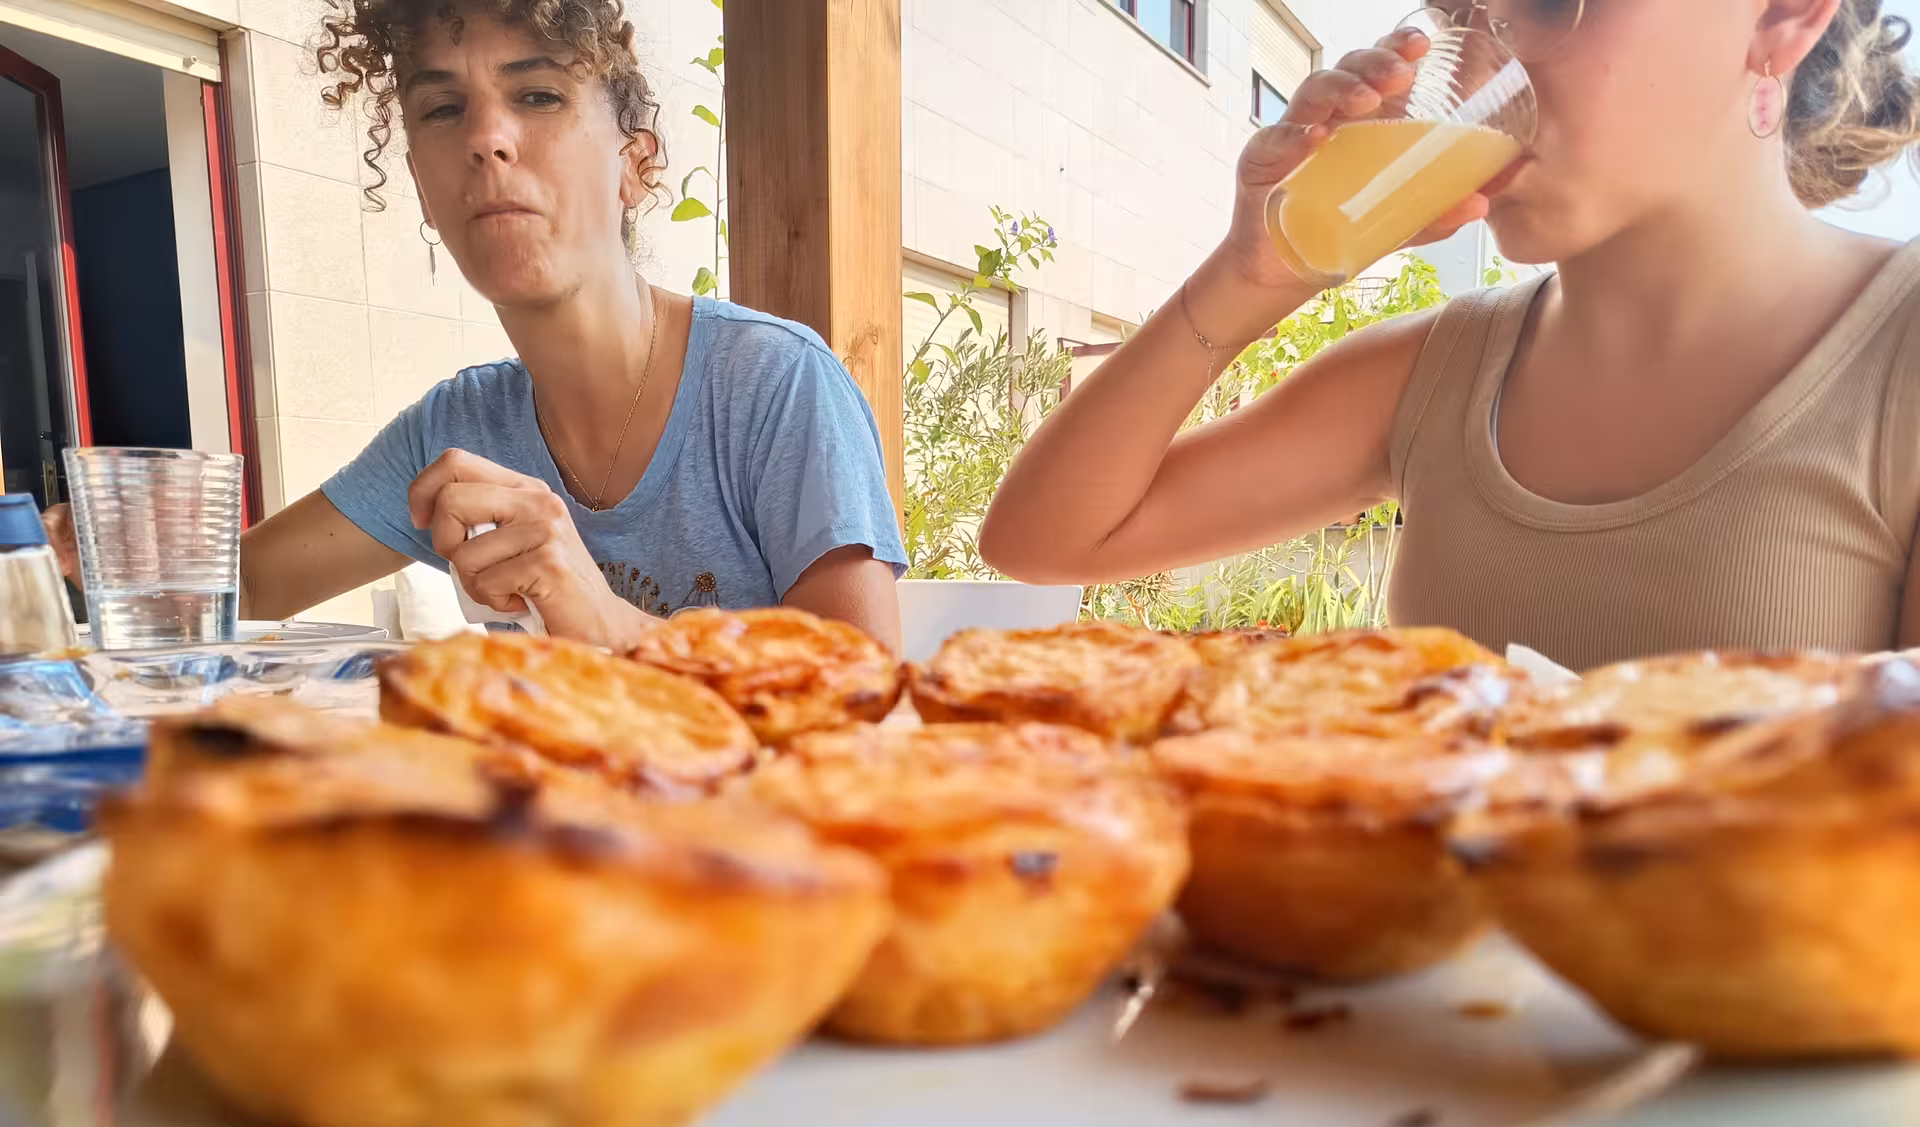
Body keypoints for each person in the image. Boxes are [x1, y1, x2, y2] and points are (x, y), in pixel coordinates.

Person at [981, 0, 1920, 671]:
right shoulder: (1444, 370)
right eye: (1457, 12)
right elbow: (1047, 537)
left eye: (1550, 3)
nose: (1475, 74)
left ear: (1784, 18)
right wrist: (1250, 277)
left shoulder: (1898, 353)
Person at [48, 0, 906, 651]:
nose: (488, 139)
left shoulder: (774, 383)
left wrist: (609, 622)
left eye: (537, 95)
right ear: (420, 181)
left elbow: (863, 704)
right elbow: (247, 588)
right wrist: (123, 547)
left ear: (634, 165)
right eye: (443, 109)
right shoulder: (458, 430)